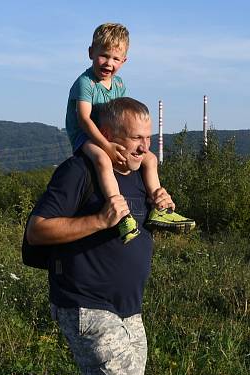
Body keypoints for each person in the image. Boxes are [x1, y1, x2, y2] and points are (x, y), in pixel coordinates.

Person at [27, 97, 165, 375]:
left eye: (148, 138)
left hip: (127, 307)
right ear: (107, 136)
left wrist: (159, 206)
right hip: (83, 302)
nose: (144, 147)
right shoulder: (79, 171)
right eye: (135, 139)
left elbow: (136, 222)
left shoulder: (139, 174)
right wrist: (98, 221)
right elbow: (37, 230)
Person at [65, 22, 194, 244]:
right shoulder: (85, 82)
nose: (109, 63)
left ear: (124, 61)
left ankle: (159, 205)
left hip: (109, 135)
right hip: (85, 137)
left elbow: (122, 115)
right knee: (102, 160)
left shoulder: (119, 85)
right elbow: (84, 120)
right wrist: (107, 146)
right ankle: (120, 211)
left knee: (151, 158)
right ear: (91, 53)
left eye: (116, 59)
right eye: (104, 56)